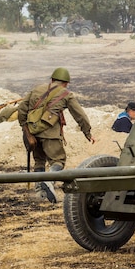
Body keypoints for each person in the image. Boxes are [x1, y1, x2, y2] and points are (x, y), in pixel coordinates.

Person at [18, 67, 96, 203]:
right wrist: (87, 132)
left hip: (33, 131)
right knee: (58, 160)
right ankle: (49, 181)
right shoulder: (66, 93)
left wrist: (26, 129)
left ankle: (40, 192)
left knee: (39, 161)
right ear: (66, 83)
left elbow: (22, 109)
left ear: (52, 79)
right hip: (51, 133)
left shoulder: (37, 89)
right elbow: (79, 115)